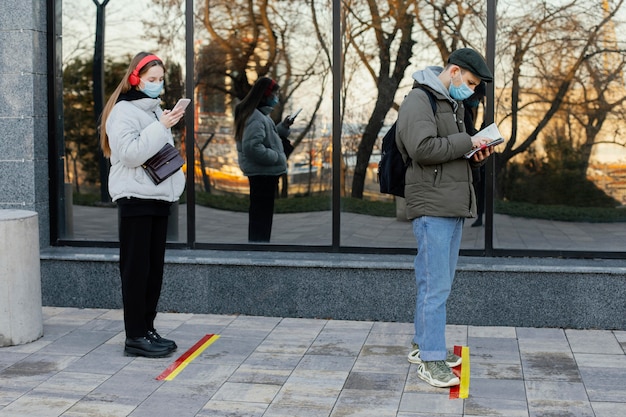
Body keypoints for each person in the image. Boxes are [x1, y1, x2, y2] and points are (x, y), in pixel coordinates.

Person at [396, 48, 494, 387]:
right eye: (468, 82)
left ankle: (424, 344)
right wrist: (468, 138)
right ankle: (431, 360)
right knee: (434, 287)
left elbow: (450, 152)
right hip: (431, 206)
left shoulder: (451, 104)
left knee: (436, 283)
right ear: (453, 71)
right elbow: (422, 149)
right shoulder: (419, 101)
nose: (469, 89)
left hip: (450, 204)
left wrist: (476, 153)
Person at [99, 52, 186, 358]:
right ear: (135, 78)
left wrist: (162, 123)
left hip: (158, 198)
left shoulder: (153, 111)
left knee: (153, 271)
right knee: (136, 271)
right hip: (135, 200)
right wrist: (161, 126)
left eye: (161, 79)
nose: (157, 85)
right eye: (152, 79)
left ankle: (147, 329)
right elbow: (131, 154)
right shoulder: (123, 112)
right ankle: (134, 335)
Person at [234, 77, 292, 242]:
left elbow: (267, 138)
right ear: (265, 95)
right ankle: (258, 249)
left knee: (261, 216)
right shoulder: (256, 118)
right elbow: (252, 147)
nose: (276, 97)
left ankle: (259, 248)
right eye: (274, 93)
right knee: (261, 218)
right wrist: (276, 157)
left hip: (263, 174)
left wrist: (283, 127)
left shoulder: (259, 116)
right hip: (263, 175)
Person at [464, 82, 487, 227]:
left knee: (480, 188)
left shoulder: (471, 108)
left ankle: (479, 214)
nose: (477, 101)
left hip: (476, 158)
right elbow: (470, 134)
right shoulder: (464, 109)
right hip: (469, 157)